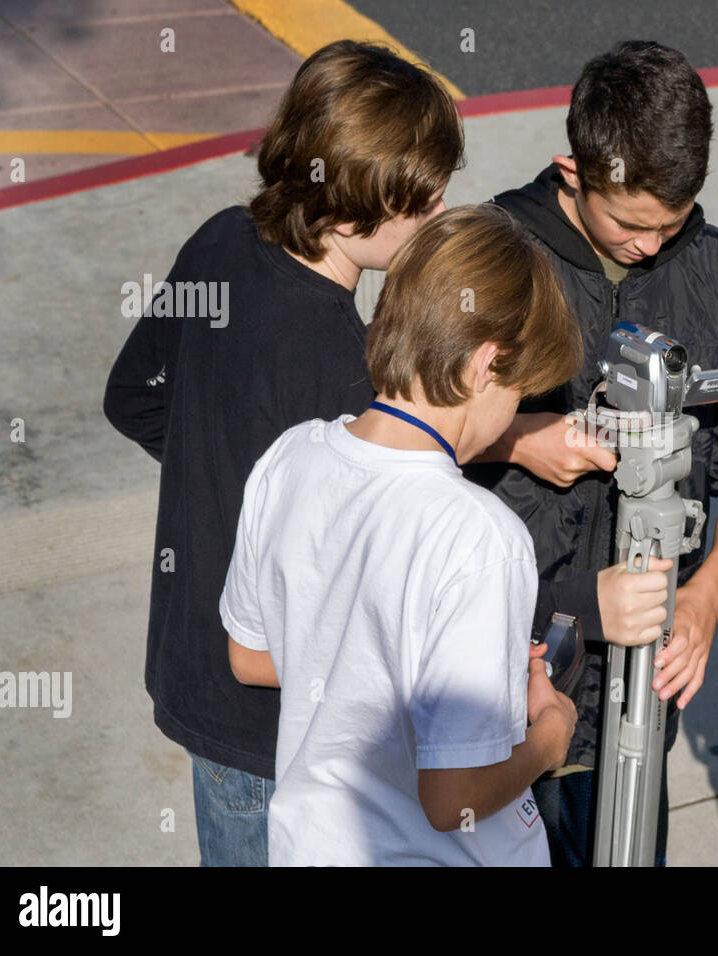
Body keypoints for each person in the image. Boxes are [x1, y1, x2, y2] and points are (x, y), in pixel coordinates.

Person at [101, 39, 463, 866]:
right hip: (273, 731)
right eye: (424, 199)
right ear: (357, 210)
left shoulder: (221, 240)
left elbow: (133, 397)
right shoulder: (343, 363)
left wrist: (216, 463)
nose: (440, 211)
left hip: (193, 666)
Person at [468, 40, 718, 866]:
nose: (650, 246)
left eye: (671, 223)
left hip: (637, 696)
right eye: (630, 223)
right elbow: (401, 427)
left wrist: (710, 593)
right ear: (571, 169)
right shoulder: (489, 258)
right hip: (496, 680)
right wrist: (519, 437)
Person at [221, 204, 581, 866]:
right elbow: (453, 801)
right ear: (484, 366)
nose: (513, 413)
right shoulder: (478, 537)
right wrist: (550, 737)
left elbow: (251, 655)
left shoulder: (289, 458)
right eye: (519, 392)